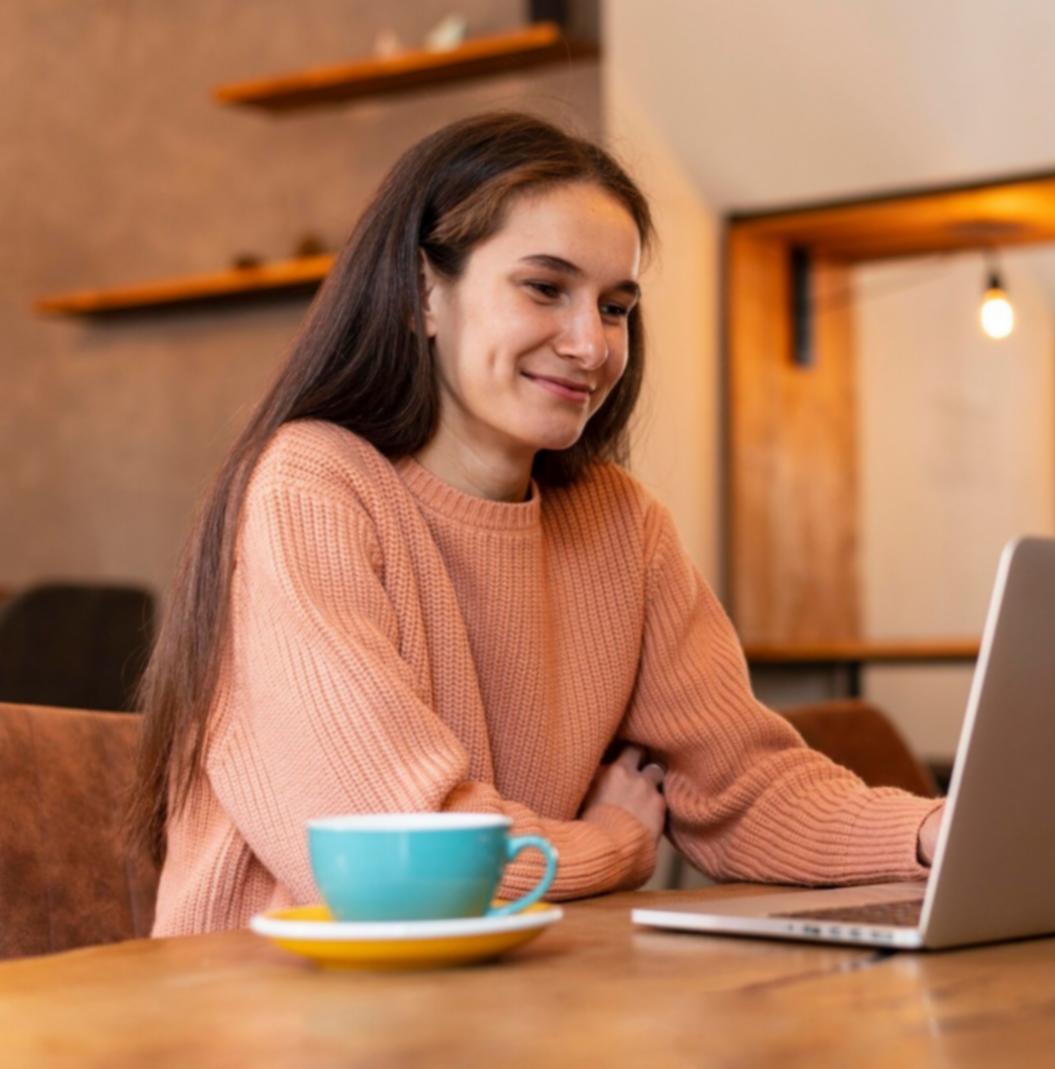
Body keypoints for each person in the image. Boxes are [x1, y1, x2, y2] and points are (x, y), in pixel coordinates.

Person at [131, 112, 945, 935]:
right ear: (424, 294)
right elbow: (404, 865)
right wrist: (615, 842)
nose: (591, 344)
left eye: (617, 306)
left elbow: (742, 788)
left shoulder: (623, 525)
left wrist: (930, 830)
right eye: (545, 288)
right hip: (267, 1015)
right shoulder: (312, 485)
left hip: (503, 1003)